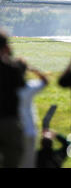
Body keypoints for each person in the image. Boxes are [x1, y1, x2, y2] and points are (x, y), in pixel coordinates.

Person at [0, 31, 26, 168]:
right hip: (10, 121)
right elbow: (22, 86)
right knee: (12, 160)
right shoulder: (12, 69)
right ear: (6, 48)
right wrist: (10, 58)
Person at [17, 61, 49, 168]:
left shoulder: (6, 87)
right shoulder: (29, 87)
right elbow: (45, 81)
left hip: (13, 129)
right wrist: (33, 69)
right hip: (29, 130)